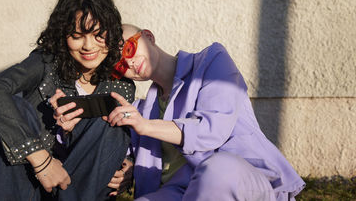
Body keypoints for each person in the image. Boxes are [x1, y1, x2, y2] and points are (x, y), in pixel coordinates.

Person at [104, 24, 305, 200]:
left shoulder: (212, 61)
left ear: (148, 36)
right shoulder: (141, 110)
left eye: (128, 49)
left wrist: (146, 126)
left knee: (217, 172)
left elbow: (211, 130)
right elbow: (128, 154)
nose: (129, 63)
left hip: (238, 181)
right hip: (178, 192)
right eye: (120, 65)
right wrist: (128, 170)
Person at [0, 0, 135, 201]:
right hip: (32, 183)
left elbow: (117, 144)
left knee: (114, 119)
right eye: (77, 36)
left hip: (80, 190)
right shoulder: (46, 63)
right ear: (63, 35)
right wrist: (41, 159)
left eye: (98, 35)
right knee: (11, 109)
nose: (89, 46)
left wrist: (130, 168)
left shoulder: (122, 83)